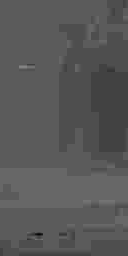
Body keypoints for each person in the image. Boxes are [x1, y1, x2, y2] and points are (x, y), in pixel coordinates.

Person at [85, 0, 128, 170]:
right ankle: (100, 155)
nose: (116, 5)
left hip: (124, 75)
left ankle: (117, 154)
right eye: (113, 0)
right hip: (102, 75)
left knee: (121, 116)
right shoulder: (98, 24)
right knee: (102, 114)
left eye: (119, 1)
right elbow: (89, 49)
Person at [56, 23, 92, 158]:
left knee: (74, 122)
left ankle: (72, 150)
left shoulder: (77, 52)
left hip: (78, 92)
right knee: (69, 123)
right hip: (72, 92)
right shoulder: (74, 52)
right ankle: (67, 150)